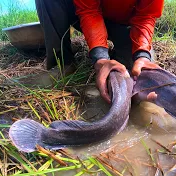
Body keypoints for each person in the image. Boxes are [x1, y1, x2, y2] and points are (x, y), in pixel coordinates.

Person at [35, 0, 164, 103]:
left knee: (137, 73)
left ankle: (122, 54)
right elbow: (89, 10)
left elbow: (146, 15)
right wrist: (100, 57)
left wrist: (142, 55)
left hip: (125, 24)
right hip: (83, 13)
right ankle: (63, 62)